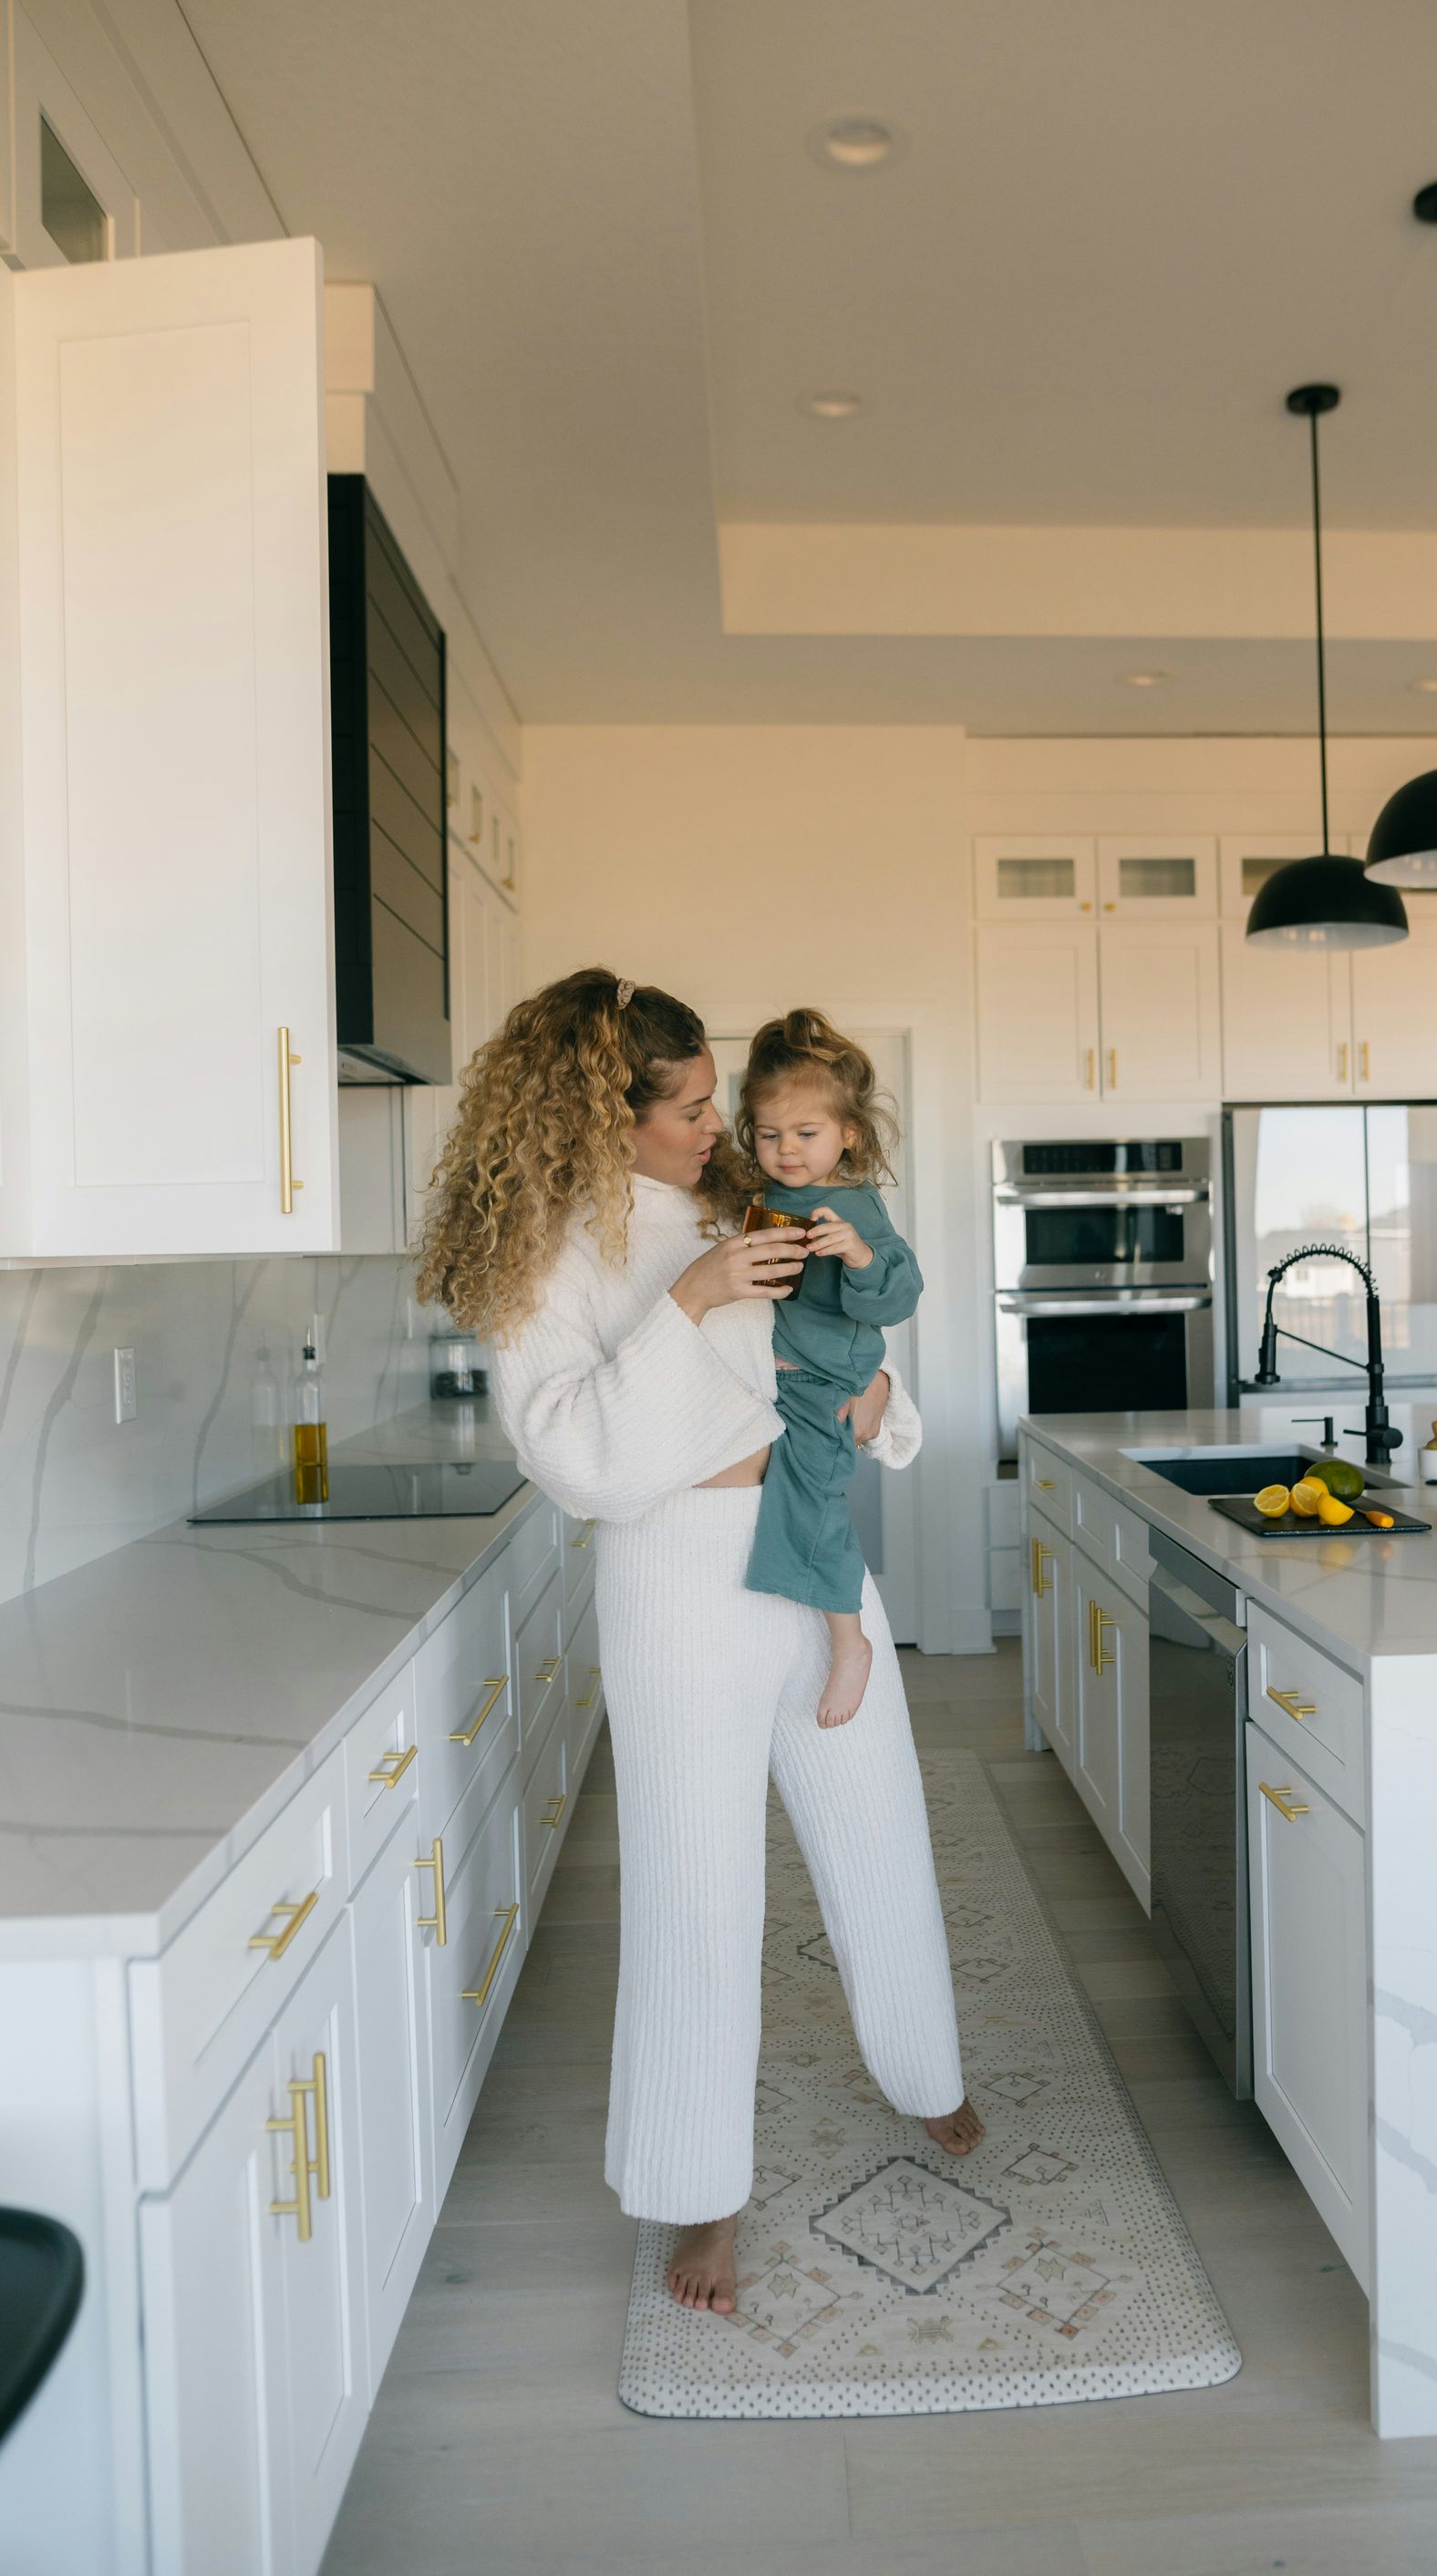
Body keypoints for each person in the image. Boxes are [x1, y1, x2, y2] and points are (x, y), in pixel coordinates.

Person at [415, 966, 982, 2320]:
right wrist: (690, 1299)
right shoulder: (548, 1248)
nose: (712, 1119)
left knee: (881, 1825)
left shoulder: (752, 1189)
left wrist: (881, 1397)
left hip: (814, 1556)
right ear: (600, 1117)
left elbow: (837, 1340)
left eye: (713, 1093)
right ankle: (699, 2193)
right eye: (682, 1105)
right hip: (675, 1577)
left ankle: (926, 2074)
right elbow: (573, 1457)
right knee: (696, 1890)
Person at [738, 1008, 923, 1731]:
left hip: (821, 1387)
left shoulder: (855, 1204)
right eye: (769, 1133)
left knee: (813, 1502)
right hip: (773, 1377)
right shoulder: (762, 1194)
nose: (785, 1151)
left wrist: (858, 1255)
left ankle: (850, 1642)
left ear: (848, 1133)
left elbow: (900, 1296)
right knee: (780, 1495)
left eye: (805, 1134)